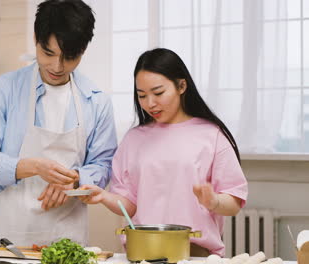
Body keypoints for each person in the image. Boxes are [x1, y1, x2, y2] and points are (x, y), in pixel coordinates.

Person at [0, 0, 117, 246]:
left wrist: (77, 179)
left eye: (69, 57)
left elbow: (104, 165)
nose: (57, 67)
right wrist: (33, 166)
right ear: (36, 39)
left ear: (83, 50)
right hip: (10, 234)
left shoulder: (97, 102)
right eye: (48, 54)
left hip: (69, 234)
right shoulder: (2, 90)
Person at [79, 48, 248, 256]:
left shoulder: (211, 135)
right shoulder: (133, 139)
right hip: (140, 252)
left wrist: (213, 201)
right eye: (142, 95)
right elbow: (129, 206)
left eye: (158, 93)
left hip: (194, 253)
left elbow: (234, 203)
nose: (150, 103)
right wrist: (103, 196)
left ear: (182, 85)